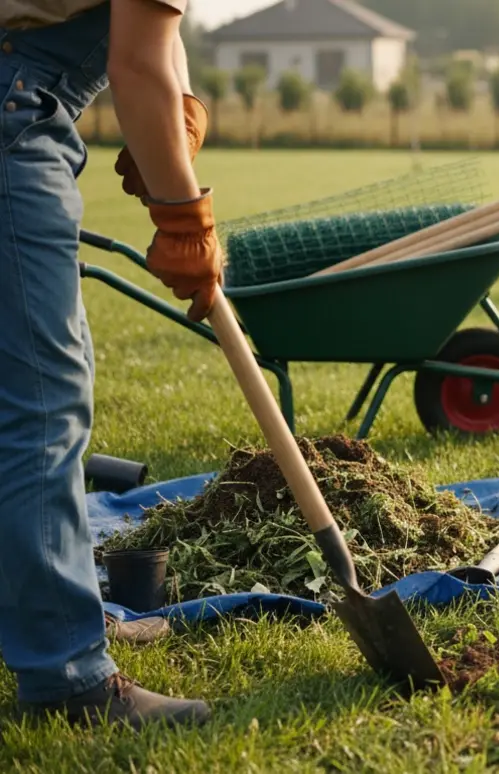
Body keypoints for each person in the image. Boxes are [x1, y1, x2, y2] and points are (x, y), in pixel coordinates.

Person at [0, 0, 220, 730]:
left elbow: (159, 31)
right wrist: (183, 218)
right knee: (42, 400)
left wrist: (180, 109)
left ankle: (50, 610)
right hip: (14, 101)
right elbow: (135, 62)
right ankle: (66, 674)